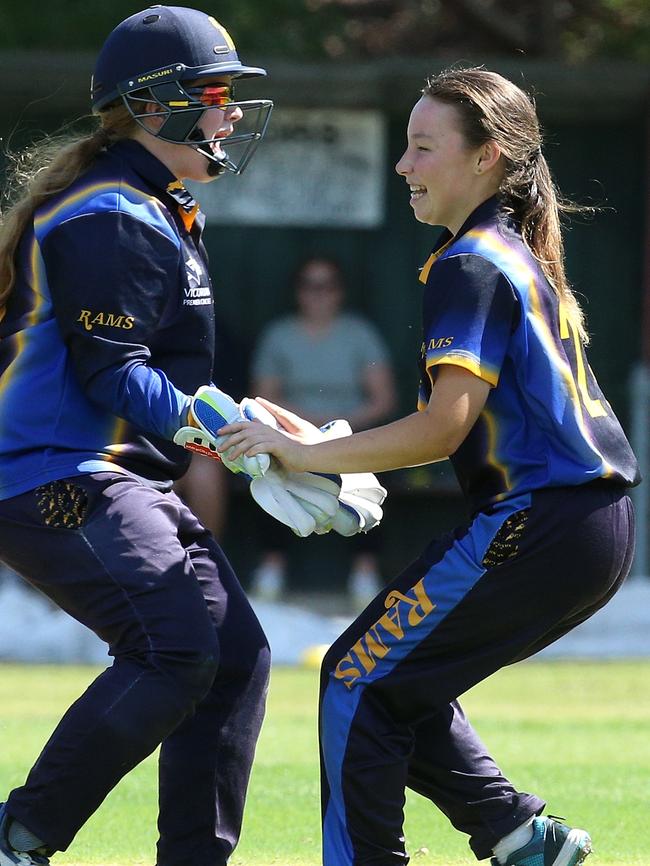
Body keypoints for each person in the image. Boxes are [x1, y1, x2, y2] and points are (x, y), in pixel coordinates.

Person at [220, 67, 640, 866]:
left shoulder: (469, 263)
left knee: (354, 680)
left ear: (486, 158)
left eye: (422, 147)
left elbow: (444, 428)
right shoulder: (509, 251)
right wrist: (312, 443)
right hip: (588, 528)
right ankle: (517, 834)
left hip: (540, 523)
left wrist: (305, 454)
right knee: (391, 681)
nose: (404, 165)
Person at [0, 7, 274, 866]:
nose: (230, 113)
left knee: (234, 657)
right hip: (53, 473)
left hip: (112, 477)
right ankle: (18, 838)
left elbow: (167, 380)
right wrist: (238, 435)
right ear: (156, 107)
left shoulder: (153, 203)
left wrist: (281, 433)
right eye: (216, 93)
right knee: (177, 649)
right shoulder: (111, 209)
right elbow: (113, 373)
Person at [250, 255, 397, 604]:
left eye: (327, 286)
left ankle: (365, 573)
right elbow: (265, 398)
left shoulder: (360, 334)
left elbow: (383, 399)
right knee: (265, 468)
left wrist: (340, 424)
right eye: (309, 285)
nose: (318, 294)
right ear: (297, 291)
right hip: (289, 433)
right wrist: (304, 428)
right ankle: (271, 570)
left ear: (339, 292)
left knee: (374, 472)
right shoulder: (279, 335)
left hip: (350, 434)